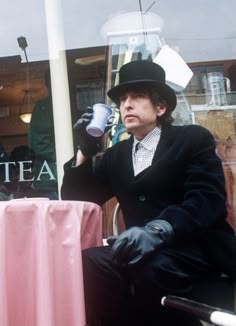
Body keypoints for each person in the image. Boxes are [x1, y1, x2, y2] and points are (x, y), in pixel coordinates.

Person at [61, 60, 236, 326]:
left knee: (151, 266)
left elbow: (207, 201)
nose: (126, 104)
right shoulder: (116, 155)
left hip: (196, 250)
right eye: (122, 99)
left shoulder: (192, 138)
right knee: (91, 262)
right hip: (142, 254)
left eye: (137, 96)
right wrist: (85, 149)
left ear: (160, 106)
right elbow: (80, 200)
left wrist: (159, 229)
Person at [28, 69, 58, 199]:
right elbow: (39, 143)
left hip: (61, 178)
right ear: (48, 84)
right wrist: (65, 157)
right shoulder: (43, 107)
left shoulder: (69, 104)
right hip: (49, 181)